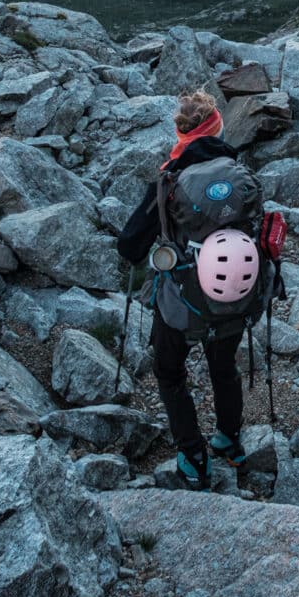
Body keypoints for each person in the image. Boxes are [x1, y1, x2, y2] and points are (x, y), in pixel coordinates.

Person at [116, 88, 247, 491]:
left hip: (182, 302)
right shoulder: (239, 175)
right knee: (223, 364)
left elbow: (131, 246)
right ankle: (229, 440)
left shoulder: (170, 179)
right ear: (218, 128)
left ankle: (192, 456)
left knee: (169, 372)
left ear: (180, 134)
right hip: (235, 293)